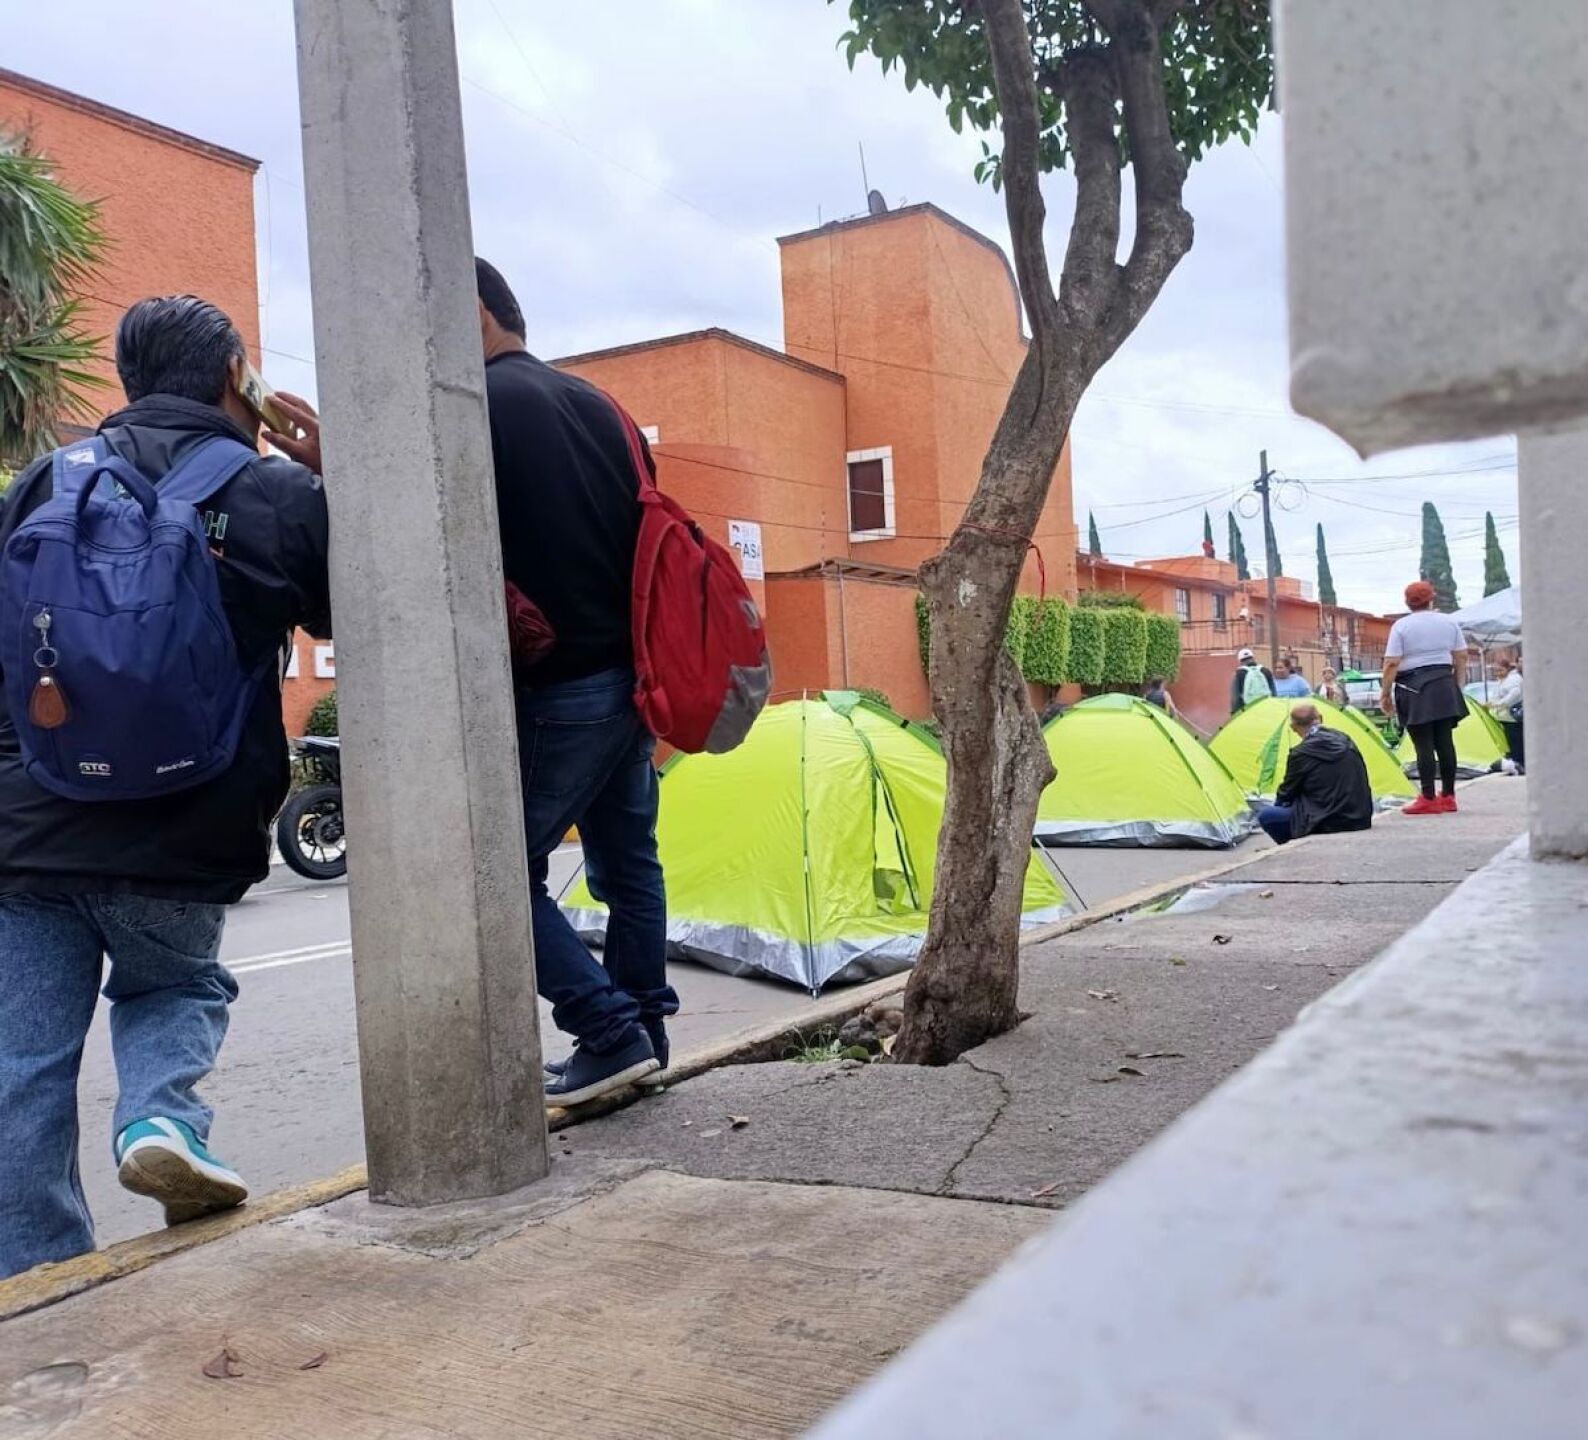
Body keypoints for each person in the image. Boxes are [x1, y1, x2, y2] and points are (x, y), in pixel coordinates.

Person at [0, 297, 331, 1279]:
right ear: (238, 375)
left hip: (27, 821)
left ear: (126, 376)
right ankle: (160, 1118)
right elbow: (375, 598)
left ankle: (36, 1271)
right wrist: (328, 472)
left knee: (21, 1064)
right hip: (187, 815)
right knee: (174, 981)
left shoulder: (37, 488)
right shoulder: (270, 493)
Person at [1381, 580, 1467, 815]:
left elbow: (1391, 663)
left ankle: (1428, 796)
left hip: (1413, 686)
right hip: (1444, 682)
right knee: (1444, 740)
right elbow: (1461, 656)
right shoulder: (1449, 622)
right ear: (1431, 599)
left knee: (1423, 743)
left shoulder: (1401, 626)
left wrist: (1385, 693)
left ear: (1407, 602)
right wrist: (1457, 685)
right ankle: (1448, 796)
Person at [1256, 704, 1373, 844]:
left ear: (1293, 727)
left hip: (1324, 819)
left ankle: (1290, 846)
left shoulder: (1300, 753)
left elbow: (1287, 792)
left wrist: (1279, 804)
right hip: (1359, 817)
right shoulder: (1345, 739)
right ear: (1320, 719)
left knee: (1267, 815)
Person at [1488, 657, 1524, 774]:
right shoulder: (1501, 681)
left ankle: (1519, 764)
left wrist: (1499, 705)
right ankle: (1515, 763)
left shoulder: (1514, 679)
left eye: (1500, 670)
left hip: (1513, 717)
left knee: (1516, 742)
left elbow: (1514, 695)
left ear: (1507, 669)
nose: (1498, 673)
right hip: (1504, 717)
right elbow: (1496, 695)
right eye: (1496, 671)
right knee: (1511, 741)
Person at [1230, 647, 1275, 714]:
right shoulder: (1266, 671)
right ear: (1253, 658)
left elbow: (1235, 698)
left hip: (1248, 710)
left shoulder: (1238, 674)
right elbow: (1274, 692)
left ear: (1240, 661)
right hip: (1266, 709)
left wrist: (1234, 712)